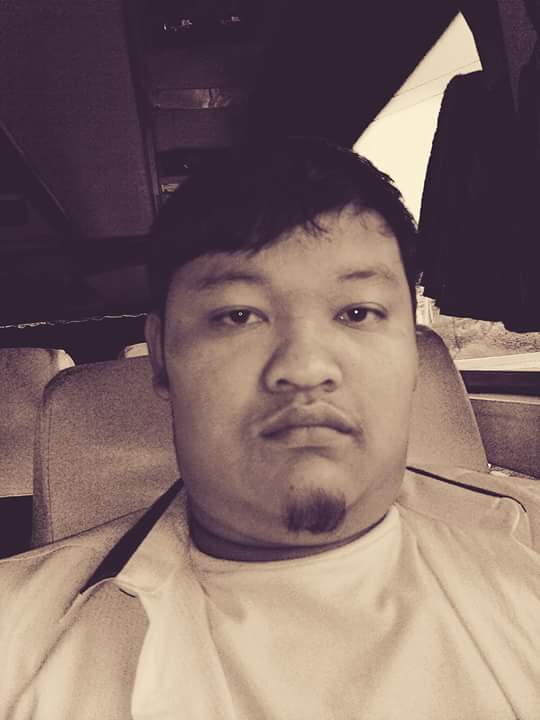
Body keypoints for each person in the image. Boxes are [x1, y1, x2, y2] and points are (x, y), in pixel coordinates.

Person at [1, 137, 540, 719]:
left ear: (412, 351)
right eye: (239, 316)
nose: (304, 368)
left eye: (357, 312)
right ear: (160, 357)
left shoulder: (524, 562)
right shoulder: (18, 640)